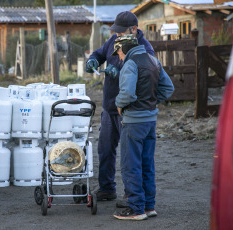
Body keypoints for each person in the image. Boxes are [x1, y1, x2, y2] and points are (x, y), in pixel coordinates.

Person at [85, 11, 155, 201]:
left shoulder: (146, 49)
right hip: (109, 108)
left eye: (121, 32)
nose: (117, 35)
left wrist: (121, 71)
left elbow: (146, 76)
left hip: (129, 111)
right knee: (105, 150)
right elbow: (100, 53)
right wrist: (93, 59)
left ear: (134, 29)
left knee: (130, 157)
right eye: (115, 31)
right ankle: (107, 188)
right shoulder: (113, 41)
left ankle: (131, 195)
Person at [112, 35, 174, 220]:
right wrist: (151, 103)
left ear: (124, 49)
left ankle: (136, 209)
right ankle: (149, 206)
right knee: (147, 164)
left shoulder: (130, 64)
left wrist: (119, 104)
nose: (119, 57)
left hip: (133, 122)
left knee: (131, 165)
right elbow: (168, 88)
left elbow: (128, 93)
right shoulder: (154, 60)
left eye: (119, 53)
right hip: (150, 121)